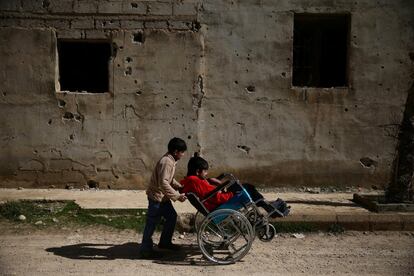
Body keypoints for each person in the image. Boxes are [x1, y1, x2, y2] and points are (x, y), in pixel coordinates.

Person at [180, 154, 289, 216]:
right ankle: (270, 208)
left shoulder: (191, 181)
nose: (207, 173)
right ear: (198, 171)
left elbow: (207, 191)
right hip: (220, 203)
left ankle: (268, 207)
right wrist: (231, 193)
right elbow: (216, 197)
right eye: (205, 171)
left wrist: (212, 182)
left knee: (246, 188)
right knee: (248, 188)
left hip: (216, 201)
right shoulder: (196, 181)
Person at [139, 137, 188, 259]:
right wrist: (177, 196)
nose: (183, 155)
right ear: (176, 151)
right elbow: (163, 183)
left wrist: (179, 186)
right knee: (151, 223)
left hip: (163, 198)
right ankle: (145, 250)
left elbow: (169, 179)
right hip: (157, 198)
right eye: (182, 152)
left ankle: (165, 242)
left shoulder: (171, 160)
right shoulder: (167, 162)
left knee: (172, 217)